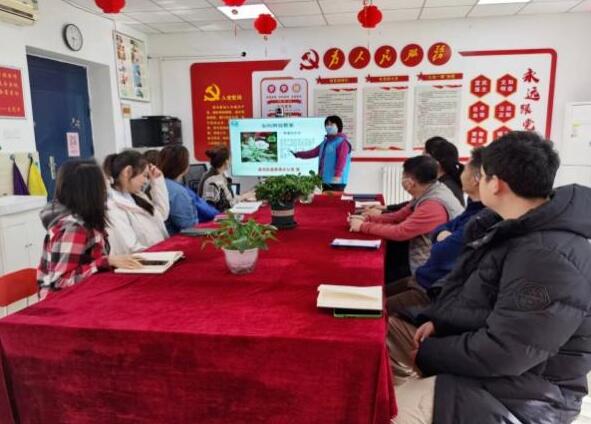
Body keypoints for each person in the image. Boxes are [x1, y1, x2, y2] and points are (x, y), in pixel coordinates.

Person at [391, 131, 591, 424]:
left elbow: (506, 352)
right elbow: (478, 299)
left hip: (527, 395)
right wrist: (440, 321)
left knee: (384, 410)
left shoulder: (548, 257)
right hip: (493, 367)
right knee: (381, 332)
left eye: (482, 175)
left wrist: (428, 351)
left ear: (496, 184)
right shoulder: (510, 227)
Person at [385, 148, 485, 384]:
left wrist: (443, 237)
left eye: (467, 165)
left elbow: (441, 249)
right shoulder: (472, 207)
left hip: (433, 289)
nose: (462, 169)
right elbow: (439, 233)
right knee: (377, 292)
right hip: (427, 279)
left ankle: (396, 378)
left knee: (377, 313)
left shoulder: (479, 216)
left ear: (479, 178)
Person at [349, 156, 464, 281]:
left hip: (428, 268)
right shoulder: (431, 189)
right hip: (419, 250)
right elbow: (399, 216)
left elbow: (400, 232)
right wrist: (367, 219)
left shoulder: (433, 205)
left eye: (403, 176)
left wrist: (363, 226)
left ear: (410, 182)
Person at [37, 160, 141, 296]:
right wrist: (105, 262)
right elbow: (61, 282)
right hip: (63, 301)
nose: (107, 187)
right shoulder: (73, 227)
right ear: (90, 191)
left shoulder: (86, 217)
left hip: (87, 291)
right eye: (103, 184)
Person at [105, 150, 170, 255]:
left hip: (158, 255)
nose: (145, 181)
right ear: (128, 172)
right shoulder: (112, 206)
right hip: (145, 260)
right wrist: (161, 255)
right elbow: (130, 248)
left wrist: (157, 181)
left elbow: (161, 215)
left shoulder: (137, 196)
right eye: (144, 175)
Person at [291, 115, 352, 191]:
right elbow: (313, 152)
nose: (328, 126)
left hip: (336, 181)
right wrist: (298, 154)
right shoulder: (325, 142)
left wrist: (337, 175)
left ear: (338, 126)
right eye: (327, 124)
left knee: (333, 199)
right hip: (325, 180)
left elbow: (342, 160)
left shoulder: (342, 142)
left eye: (331, 124)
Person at [158, 145, 199, 235]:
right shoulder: (178, 192)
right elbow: (188, 226)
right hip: (176, 238)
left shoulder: (156, 184)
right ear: (183, 165)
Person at [198, 146, 254, 212]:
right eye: (231, 159)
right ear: (226, 162)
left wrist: (243, 196)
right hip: (219, 216)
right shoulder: (212, 181)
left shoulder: (221, 175)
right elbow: (221, 207)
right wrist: (243, 197)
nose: (231, 162)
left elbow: (229, 198)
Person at [425, 138, 465, 206]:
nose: (420, 163)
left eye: (423, 159)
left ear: (436, 163)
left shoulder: (444, 187)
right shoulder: (443, 183)